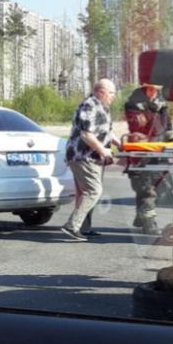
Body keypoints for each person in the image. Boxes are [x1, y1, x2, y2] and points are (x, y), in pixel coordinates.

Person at [61, 79, 120, 241]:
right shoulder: (90, 106)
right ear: (101, 91)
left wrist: (119, 144)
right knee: (93, 191)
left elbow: (107, 131)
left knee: (88, 192)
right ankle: (72, 226)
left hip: (94, 158)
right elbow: (86, 134)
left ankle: (83, 228)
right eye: (111, 93)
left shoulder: (103, 107)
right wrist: (103, 150)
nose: (113, 96)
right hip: (82, 156)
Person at [124, 83, 173, 235]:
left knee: (161, 188)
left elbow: (167, 125)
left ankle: (142, 216)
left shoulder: (161, 102)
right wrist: (152, 109)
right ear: (145, 89)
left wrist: (171, 139)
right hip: (142, 151)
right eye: (151, 89)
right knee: (147, 189)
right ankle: (148, 222)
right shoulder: (134, 102)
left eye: (156, 90)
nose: (153, 92)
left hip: (160, 148)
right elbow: (137, 125)